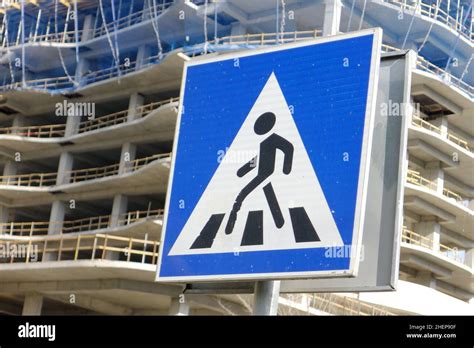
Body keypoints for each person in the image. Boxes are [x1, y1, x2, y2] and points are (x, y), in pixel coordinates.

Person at [225, 111, 294, 235]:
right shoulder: (264, 143)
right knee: (258, 194)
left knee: (264, 195)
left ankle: (280, 225)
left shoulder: (274, 138)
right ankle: (234, 215)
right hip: (262, 175)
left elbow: (288, 148)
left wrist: (286, 169)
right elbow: (257, 160)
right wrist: (242, 171)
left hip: (268, 174)